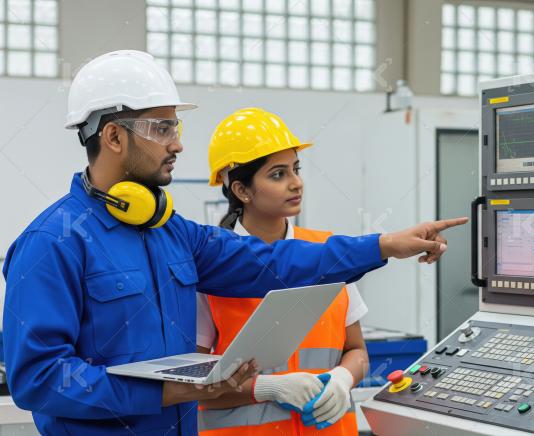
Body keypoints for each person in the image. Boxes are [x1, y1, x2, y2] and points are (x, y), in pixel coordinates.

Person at [1, 50, 466, 436]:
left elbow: (273, 263)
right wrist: (172, 390)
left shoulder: (170, 232)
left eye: (174, 128)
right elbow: (40, 379)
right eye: (162, 128)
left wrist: (383, 245)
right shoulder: (52, 243)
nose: (177, 144)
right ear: (114, 136)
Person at [195, 108, 368, 435]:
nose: (296, 183)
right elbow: (190, 384)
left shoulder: (327, 252)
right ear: (242, 191)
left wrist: (343, 380)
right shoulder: (212, 268)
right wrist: (267, 387)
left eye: (295, 169)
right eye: (278, 174)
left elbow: (356, 350)